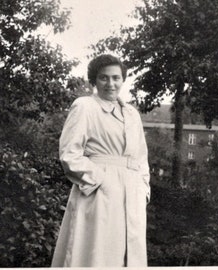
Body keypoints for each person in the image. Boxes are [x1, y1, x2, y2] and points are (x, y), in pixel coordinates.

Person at [51, 54, 150, 267]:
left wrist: (143, 191)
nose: (110, 84)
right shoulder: (85, 106)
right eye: (103, 78)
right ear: (94, 81)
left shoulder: (132, 114)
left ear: (123, 80)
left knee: (128, 257)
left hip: (132, 196)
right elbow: (69, 153)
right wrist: (100, 180)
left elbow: (141, 158)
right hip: (98, 194)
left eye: (116, 78)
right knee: (95, 254)